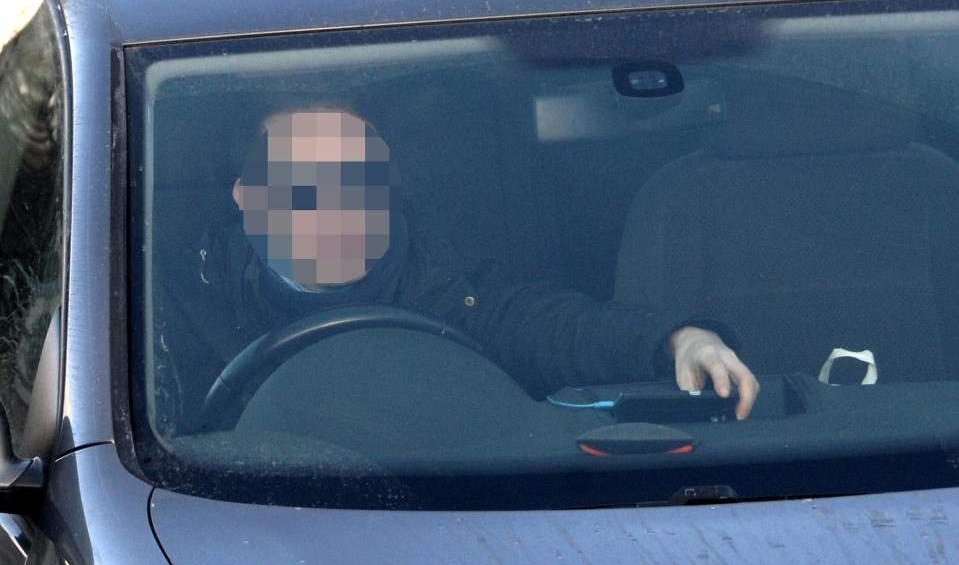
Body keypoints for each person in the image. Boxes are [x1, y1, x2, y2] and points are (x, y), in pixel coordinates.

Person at [158, 108, 758, 435]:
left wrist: (679, 338)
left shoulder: (446, 287)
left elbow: (555, 329)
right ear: (246, 196)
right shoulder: (170, 309)